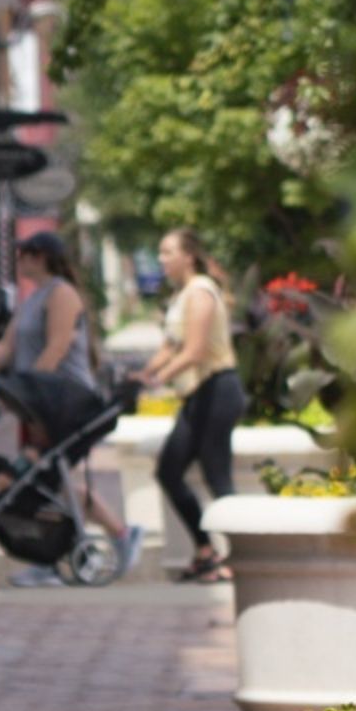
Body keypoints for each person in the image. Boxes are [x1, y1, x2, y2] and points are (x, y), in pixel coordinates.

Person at [0, 229, 133, 583]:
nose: (18, 261)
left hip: (64, 405)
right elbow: (7, 346)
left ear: (39, 257)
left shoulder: (62, 294)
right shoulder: (32, 298)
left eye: (23, 254)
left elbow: (56, 347)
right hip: (36, 406)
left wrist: (28, 390)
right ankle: (110, 537)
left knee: (44, 476)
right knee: (50, 481)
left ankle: (57, 558)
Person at [140, 227, 245, 583]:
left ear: (188, 256)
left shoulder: (201, 291)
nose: (161, 259)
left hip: (218, 390)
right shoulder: (182, 294)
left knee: (218, 477)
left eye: (167, 252)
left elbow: (195, 351)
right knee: (169, 471)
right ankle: (205, 550)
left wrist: (160, 379)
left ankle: (241, 557)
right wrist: (143, 374)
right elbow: (170, 346)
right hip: (199, 394)